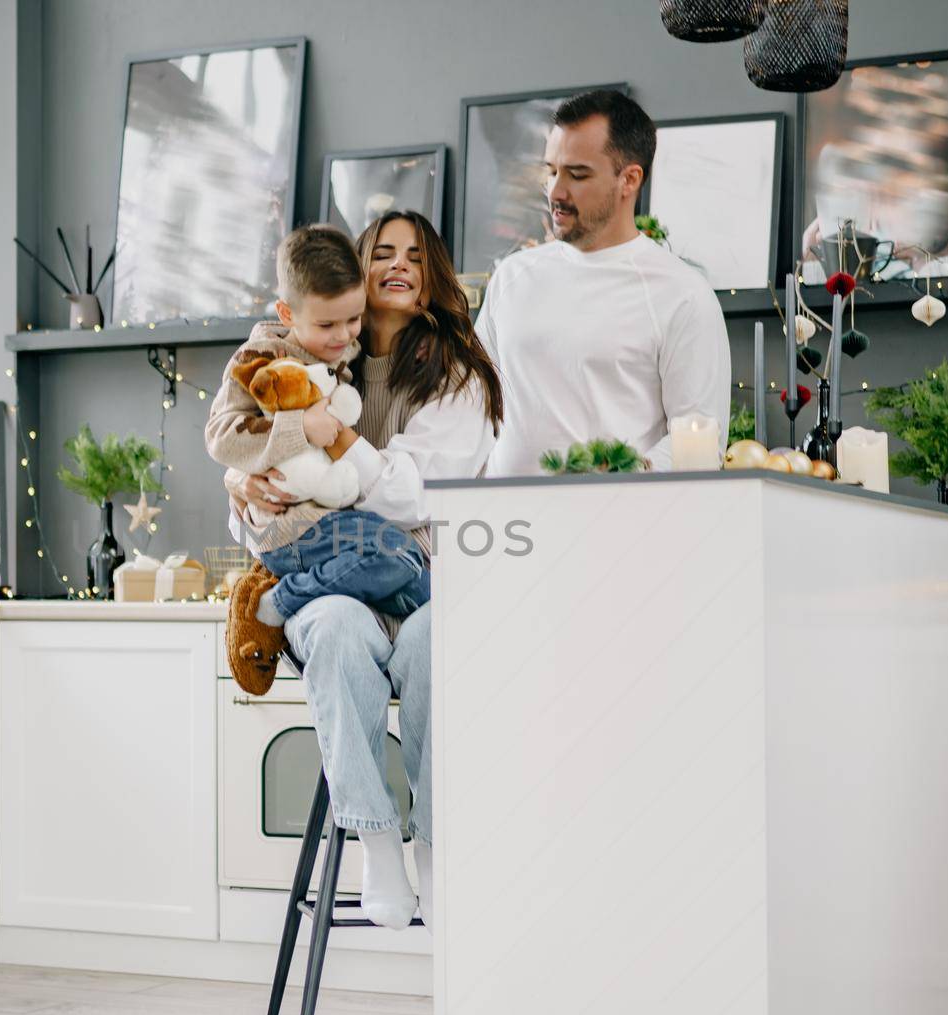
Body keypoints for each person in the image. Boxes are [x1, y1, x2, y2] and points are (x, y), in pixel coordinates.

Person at [224, 210, 502, 930]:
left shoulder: (458, 375)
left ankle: (438, 850)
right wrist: (247, 485)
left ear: (435, 270)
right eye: (383, 251)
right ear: (356, 269)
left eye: (416, 253)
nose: (399, 264)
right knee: (338, 628)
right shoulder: (307, 356)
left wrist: (327, 436)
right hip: (334, 584)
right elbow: (253, 469)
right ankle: (377, 843)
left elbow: (408, 494)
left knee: (436, 639)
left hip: (419, 582)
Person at [204, 226, 431, 697]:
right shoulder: (260, 357)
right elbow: (220, 435)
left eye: (353, 320)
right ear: (287, 313)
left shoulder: (340, 349)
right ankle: (277, 599)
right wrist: (299, 430)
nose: (344, 336)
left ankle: (285, 593)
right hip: (293, 526)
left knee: (421, 588)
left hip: (320, 519)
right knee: (403, 557)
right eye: (328, 325)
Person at [478, 89, 730, 476]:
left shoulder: (682, 294)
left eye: (577, 175)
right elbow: (469, 406)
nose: (556, 192)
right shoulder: (511, 278)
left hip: (617, 526)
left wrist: (612, 481)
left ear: (629, 179)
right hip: (508, 530)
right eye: (551, 171)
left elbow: (699, 440)